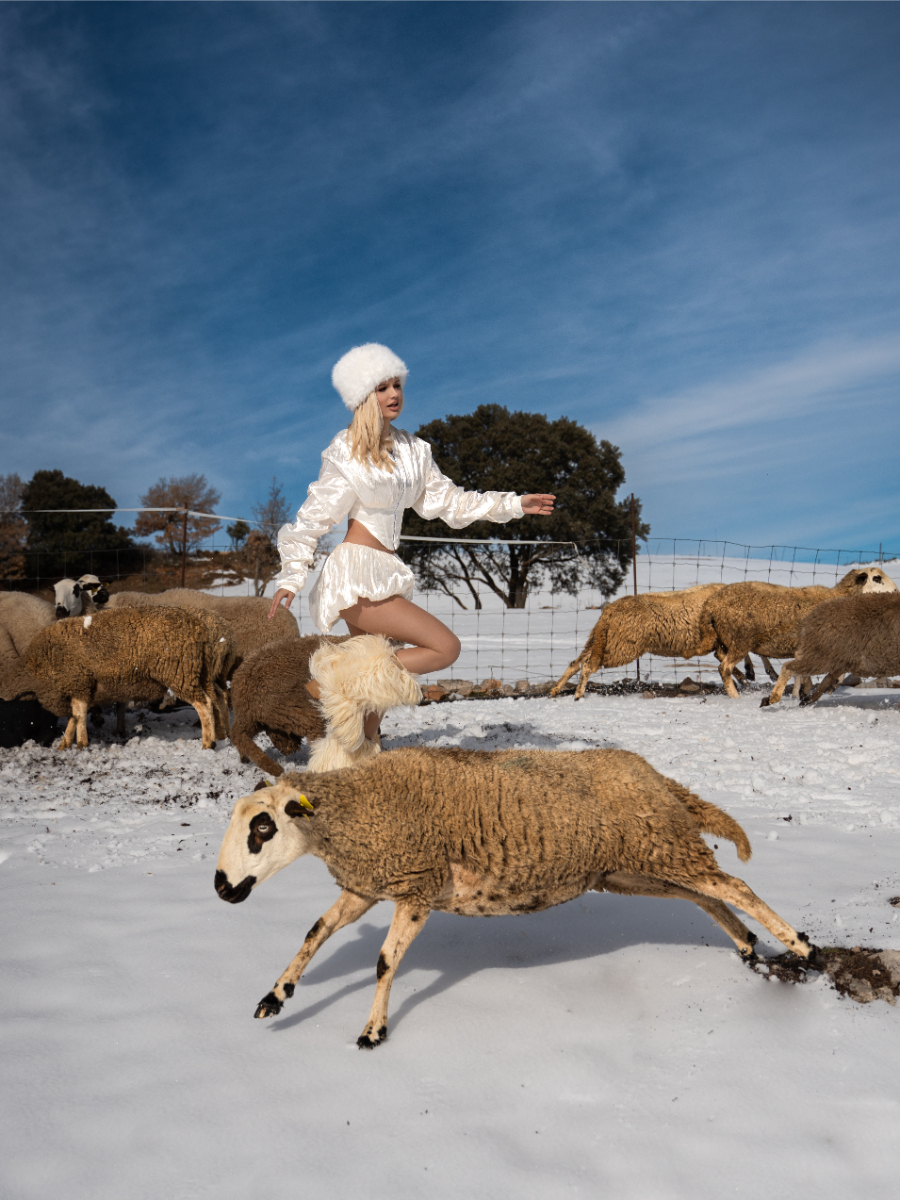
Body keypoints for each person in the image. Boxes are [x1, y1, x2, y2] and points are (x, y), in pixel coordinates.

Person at [268, 342, 554, 761]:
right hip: (356, 573)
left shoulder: (415, 452)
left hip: (383, 569)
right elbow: (312, 519)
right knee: (443, 647)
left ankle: (351, 758)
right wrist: (291, 576)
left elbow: (451, 503)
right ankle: (342, 679)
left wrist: (513, 504)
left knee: (373, 701)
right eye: (382, 387)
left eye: (397, 384)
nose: (393, 394)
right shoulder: (347, 451)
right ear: (364, 396)